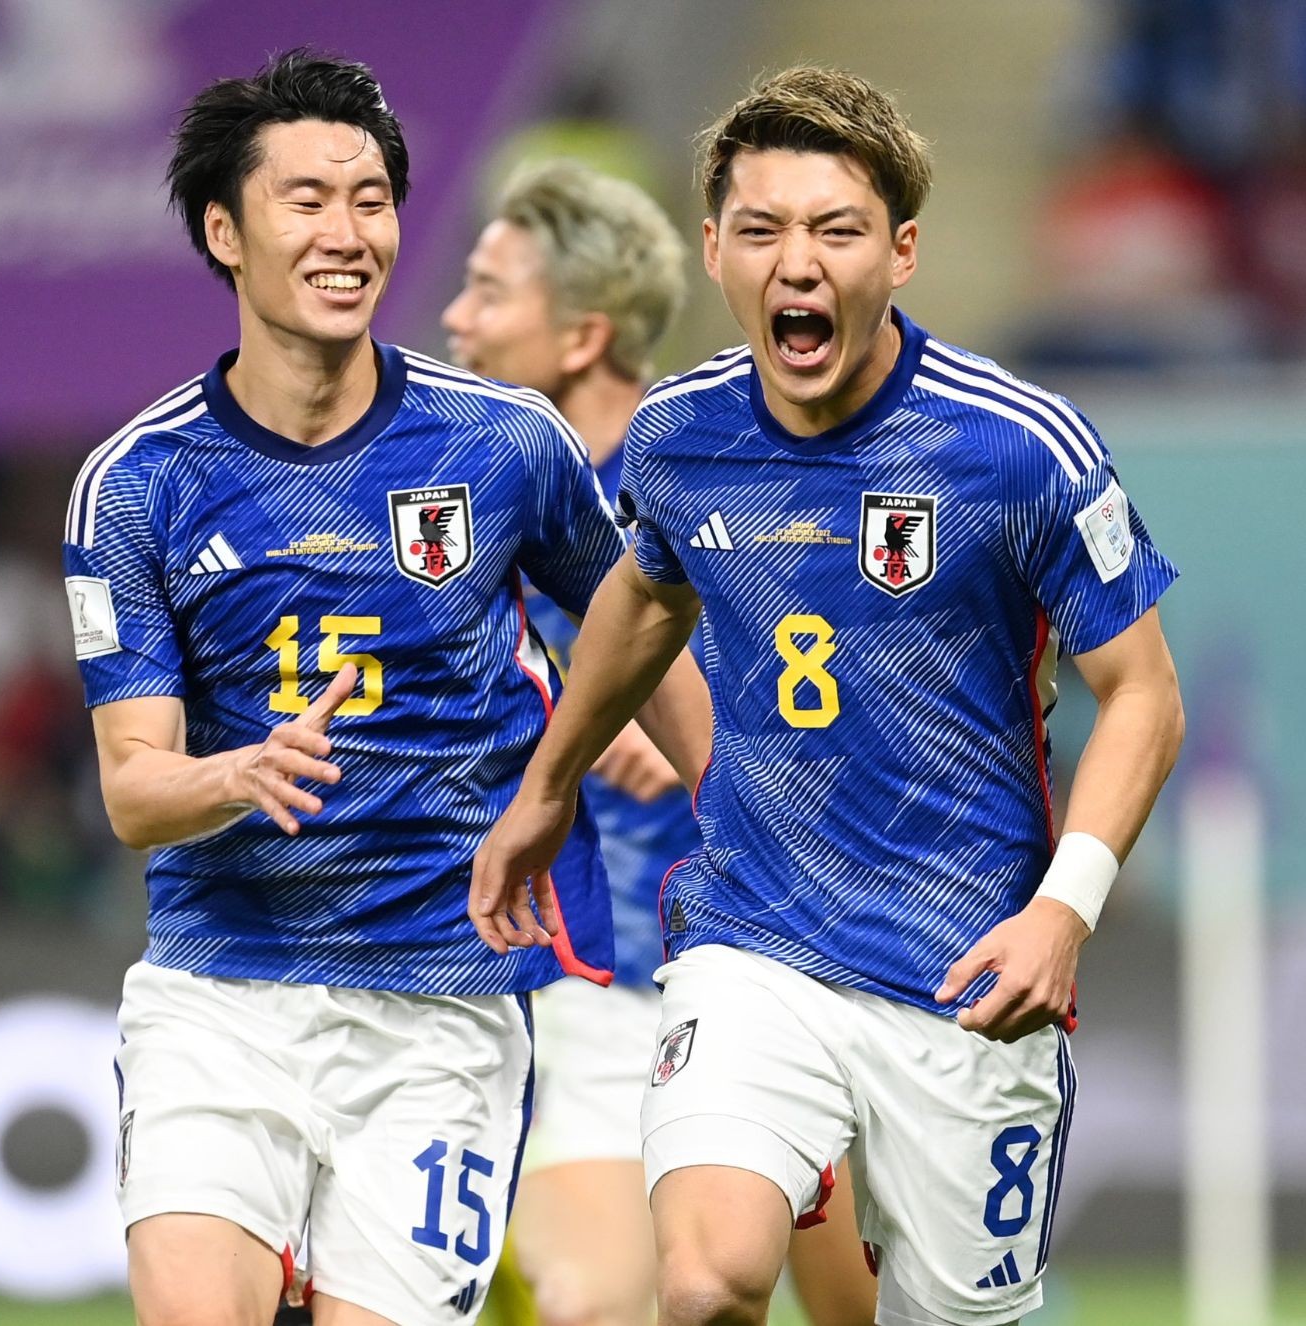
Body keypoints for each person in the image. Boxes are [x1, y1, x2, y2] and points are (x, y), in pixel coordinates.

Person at [472, 67, 1184, 1326]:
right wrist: (548, 787)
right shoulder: (681, 435)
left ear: (900, 251)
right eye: (760, 230)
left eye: (834, 230)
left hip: (965, 969)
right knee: (704, 1283)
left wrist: (1061, 913)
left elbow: (1141, 697)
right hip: (751, 941)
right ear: (714, 251)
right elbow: (644, 598)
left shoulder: (1017, 445)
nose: (795, 263)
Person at [62, 50, 707, 1326]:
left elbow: (641, 620)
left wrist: (724, 813)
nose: (347, 233)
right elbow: (134, 793)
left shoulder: (502, 444)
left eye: (371, 201)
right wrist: (234, 773)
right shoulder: (139, 483)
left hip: (441, 1013)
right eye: (305, 200)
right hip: (222, 996)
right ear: (223, 231)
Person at [442, 160, 875, 1326]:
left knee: (862, 1311)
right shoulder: (470, 503)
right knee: (595, 1305)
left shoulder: (734, 476)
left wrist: (703, 721)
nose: (454, 321)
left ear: (583, 336)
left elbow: (854, 691)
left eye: (488, 293)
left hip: (775, 955)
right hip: (585, 973)